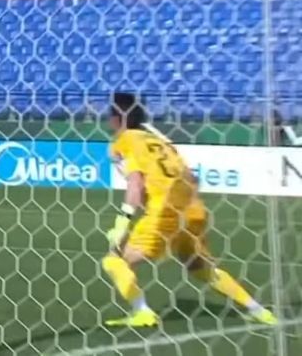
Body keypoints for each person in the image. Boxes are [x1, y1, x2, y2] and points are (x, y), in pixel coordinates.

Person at [100, 92, 276, 327]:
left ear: (116, 119)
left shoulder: (123, 142)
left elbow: (135, 184)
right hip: (193, 209)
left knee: (114, 260)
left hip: (164, 211)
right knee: (201, 268)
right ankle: (258, 310)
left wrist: (122, 222)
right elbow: (192, 178)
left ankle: (142, 312)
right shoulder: (160, 141)